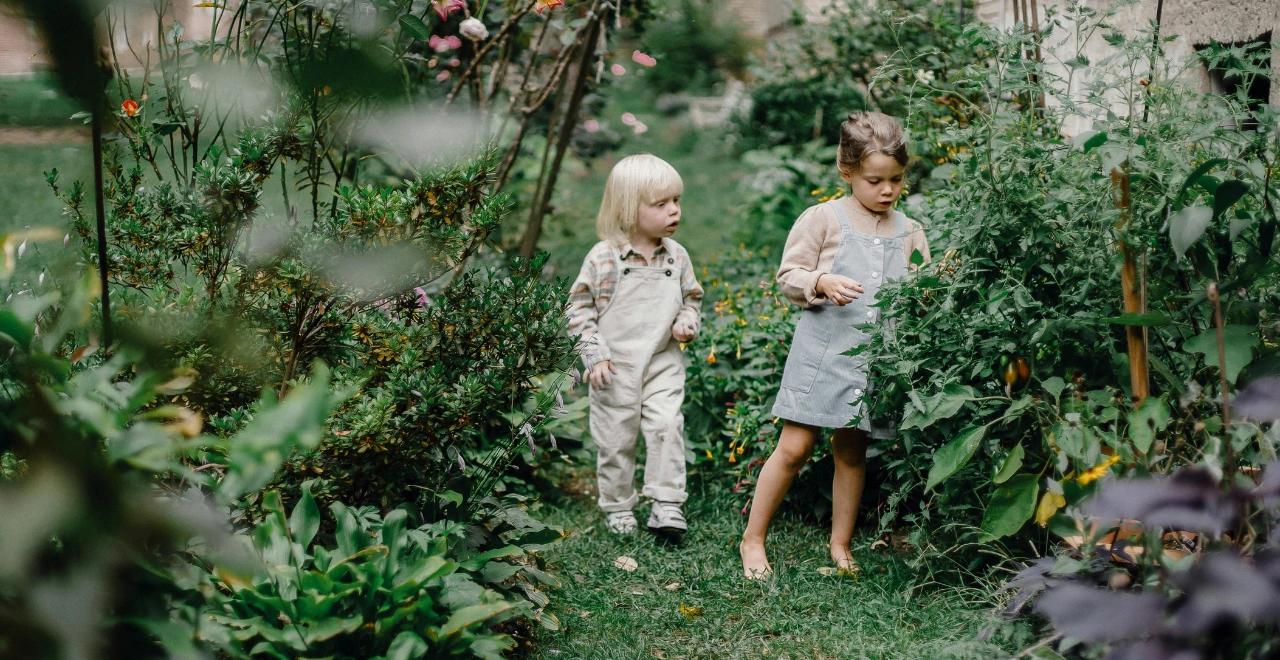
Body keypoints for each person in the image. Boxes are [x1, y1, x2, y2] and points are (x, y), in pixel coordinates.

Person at [739, 112, 930, 578]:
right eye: (875, 180)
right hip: (823, 353)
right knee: (795, 447)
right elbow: (789, 276)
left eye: (897, 180)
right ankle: (753, 539)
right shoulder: (824, 218)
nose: (887, 190)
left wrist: (932, 285)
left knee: (851, 451)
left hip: (875, 360)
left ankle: (841, 544)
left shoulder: (910, 230)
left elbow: (920, 286)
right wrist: (821, 280)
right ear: (847, 172)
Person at [566, 154, 703, 537]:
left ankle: (666, 503)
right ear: (629, 208)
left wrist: (685, 322)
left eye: (676, 201)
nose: (674, 211)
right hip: (615, 366)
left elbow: (692, 298)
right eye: (661, 204)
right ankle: (618, 504)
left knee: (666, 425)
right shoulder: (605, 259)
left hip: (662, 359)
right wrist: (594, 354)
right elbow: (578, 309)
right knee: (616, 438)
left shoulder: (676, 257)